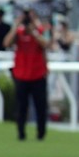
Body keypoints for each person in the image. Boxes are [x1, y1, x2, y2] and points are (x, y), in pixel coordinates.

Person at [10, 8, 52, 141]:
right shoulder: (18, 32)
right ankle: (21, 133)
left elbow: (46, 44)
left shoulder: (40, 31)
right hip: (21, 74)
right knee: (21, 107)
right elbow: (6, 42)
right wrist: (16, 25)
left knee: (41, 106)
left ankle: (41, 133)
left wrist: (34, 31)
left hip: (38, 74)